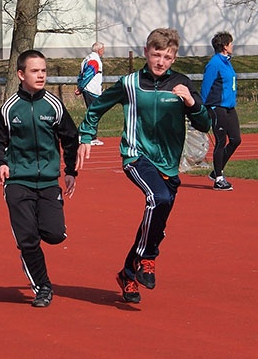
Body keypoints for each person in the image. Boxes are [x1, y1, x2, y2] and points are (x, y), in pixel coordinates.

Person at [77, 28, 211, 305]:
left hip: (169, 164)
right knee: (157, 198)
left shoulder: (182, 83)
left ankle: (127, 274)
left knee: (155, 225)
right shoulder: (130, 83)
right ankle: (148, 259)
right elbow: (97, 107)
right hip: (136, 155)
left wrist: (191, 102)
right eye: (156, 54)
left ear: (174, 58)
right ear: (146, 52)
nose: (161, 61)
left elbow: (204, 124)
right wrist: (87, 135)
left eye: (167, 56)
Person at [0, 50, 79, 308]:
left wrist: (71, 170)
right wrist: (1, 163)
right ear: (21, 74)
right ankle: (43, 287)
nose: (40, 75)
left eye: (43, 71)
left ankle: (34, 239)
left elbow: (71, 138)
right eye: (35, 71)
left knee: (55, 234)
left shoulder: (55, 105)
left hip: (48, 181)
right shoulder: (8, 109)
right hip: (18, 181)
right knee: (28, 239)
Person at [201, 31, 242, 191]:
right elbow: (206, 87)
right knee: (220, 141)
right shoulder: (214, 63)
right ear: (225, 46)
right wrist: (204, 109)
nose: (232, 46)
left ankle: (216, 170)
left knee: (236, 139)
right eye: (231, 43)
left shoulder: (227, 62)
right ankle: (219, 178)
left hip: (229, 107)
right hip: (216, 107)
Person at [76, 42, 105, 145]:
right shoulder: (94, 60)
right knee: (94, 113)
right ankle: (86, 135)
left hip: (89, 89)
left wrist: (80, 86)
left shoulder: (86, 59)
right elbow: (88, 75)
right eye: (103, 49)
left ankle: (90, 135)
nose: (104, 51)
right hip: (92, 90)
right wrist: (80, 87)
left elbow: (81, 74)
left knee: (93, 113)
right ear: (99, 50)